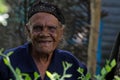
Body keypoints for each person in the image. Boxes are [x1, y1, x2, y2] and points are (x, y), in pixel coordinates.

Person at [0, 1, 87, 80]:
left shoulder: (71, 64)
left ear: (61, 32)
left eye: (51, 28)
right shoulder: (8, 61)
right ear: (28, 31)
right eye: (37, 28)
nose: (44, 34)